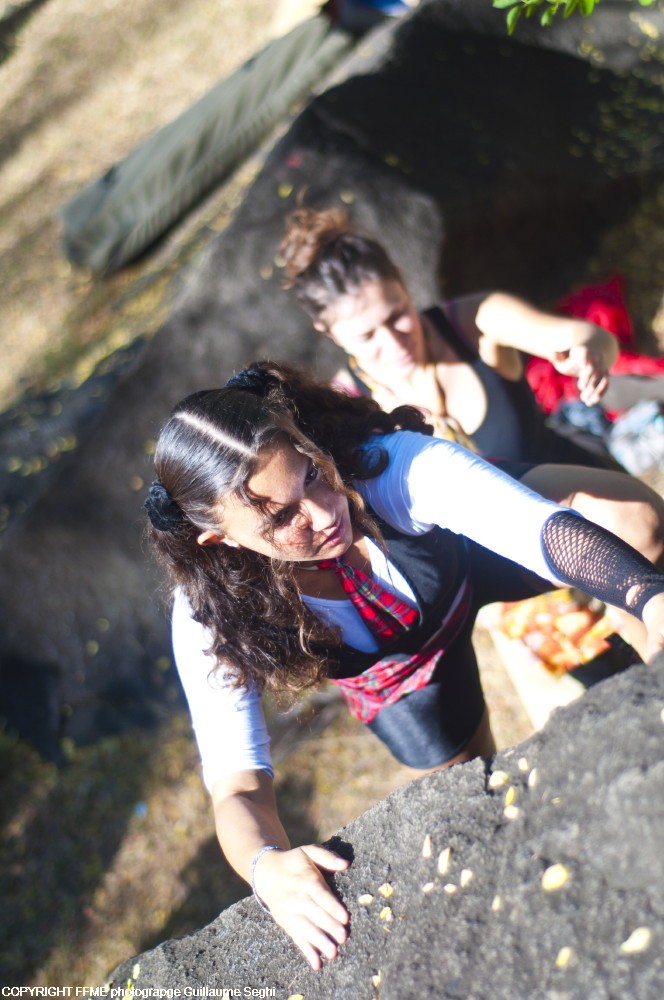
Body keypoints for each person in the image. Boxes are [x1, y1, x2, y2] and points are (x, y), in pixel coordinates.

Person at [145, 361, 664, 971]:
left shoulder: (384, 464)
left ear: (302, 435)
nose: (324, 512)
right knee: (470, 799)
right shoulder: (211, 615)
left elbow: (540, 531)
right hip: (402, 674)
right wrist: (267, 868)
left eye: (311, 472)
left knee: (631, 522)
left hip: (468, 558)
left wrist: (650, 600)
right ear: (222, 539)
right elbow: (237, 786)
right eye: (281, 518)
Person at [279, 206, 626, 465]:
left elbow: (588, 338)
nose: (394, 342)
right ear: (330, 333)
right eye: (367, 336)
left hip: (587, 500)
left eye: (398, 316)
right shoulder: (345, 407)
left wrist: (588, 354)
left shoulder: (471, 323)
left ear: (403, 283)